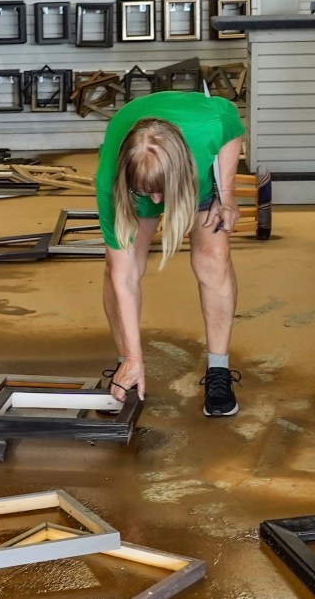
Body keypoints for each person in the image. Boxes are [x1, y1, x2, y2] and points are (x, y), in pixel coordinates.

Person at [98, 90, 246, 417]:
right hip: (137, 182)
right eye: (145, 191)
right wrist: (136, 359)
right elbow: (125, 277)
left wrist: (228, 194)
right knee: (118, 267)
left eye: (159, 193)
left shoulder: (210, 124)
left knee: (214, 257)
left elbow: (232, 128)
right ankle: (126, 363)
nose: (154, 201)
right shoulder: (112, 182)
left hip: (192, 180)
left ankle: (219, 370)